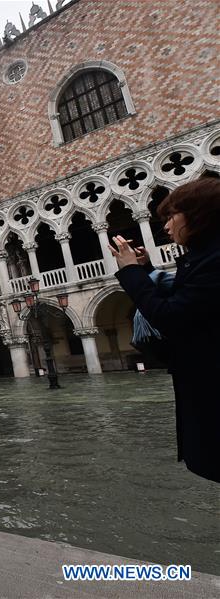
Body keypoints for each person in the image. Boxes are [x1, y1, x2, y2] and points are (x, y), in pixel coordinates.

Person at [110, 176, 220, 483]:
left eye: (171, 216)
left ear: (198, 215)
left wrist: (131, 272)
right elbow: (187, 301)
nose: (167, 227)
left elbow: (170, 315)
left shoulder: (214, 260)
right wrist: (145, 270)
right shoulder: (202, 258)